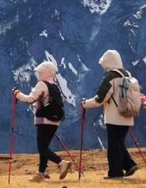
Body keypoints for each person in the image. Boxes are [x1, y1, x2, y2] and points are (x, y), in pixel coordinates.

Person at [81, 50, 138, 180]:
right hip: (128, 114)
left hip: (114, 116)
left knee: (114, 146)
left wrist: (85, 104)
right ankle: (129, 165)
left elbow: (100, 98)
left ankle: (115, 172)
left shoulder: (111, 77)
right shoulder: (127, 74)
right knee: (119, 143)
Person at [14, 61, 72, 182]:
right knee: (44, 147)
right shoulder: (55, 87)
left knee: (42, 148)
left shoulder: (42, 84)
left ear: (44, 73)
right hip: (54, 122)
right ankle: (41, 173)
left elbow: (30, 99)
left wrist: (17, 94)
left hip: (43, 121)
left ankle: (61, 163)